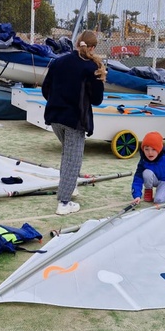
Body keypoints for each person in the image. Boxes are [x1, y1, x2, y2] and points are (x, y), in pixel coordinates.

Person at [41, 29, 106, 215]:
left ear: (78, 43)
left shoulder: (58, 62)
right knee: (73, 159)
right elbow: (97, 100)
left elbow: (46, 89)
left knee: (67, 155)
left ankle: (69, 187)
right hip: (75, 120)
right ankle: (64, 202)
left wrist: (57, 102)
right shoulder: (91, 68)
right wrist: (100, 79)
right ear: (92, 47)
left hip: (55, 117)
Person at [131, 132, 165, 205]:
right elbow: (138, 178)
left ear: (159, 149)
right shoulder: (143, 160)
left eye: (153, 149)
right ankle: (148, 190)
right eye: (146, 149)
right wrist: (137, 195)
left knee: (159, 200)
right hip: (155, 180)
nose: (150, 153)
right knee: (146, 173)